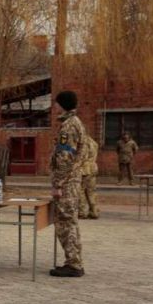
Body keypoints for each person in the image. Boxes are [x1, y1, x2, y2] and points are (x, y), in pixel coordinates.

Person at [50, 90, 87, 277]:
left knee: (65, 222)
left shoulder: (68, 127)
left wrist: (58, 184)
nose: (54, 107)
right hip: (73, 180)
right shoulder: (77, 123)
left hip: (67, 183)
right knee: (70, 221)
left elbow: (64, 158)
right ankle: (74, 260)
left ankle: (73, 263)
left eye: (56, 104)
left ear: (62, 105)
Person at [78, 134, 100, 220]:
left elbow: (82, 157)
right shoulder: (93, 142)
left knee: (81, 190)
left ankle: (82, 212)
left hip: (85, 169)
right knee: (91, 191)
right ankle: (94, 211)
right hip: (93, 167)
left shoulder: (83, 143)